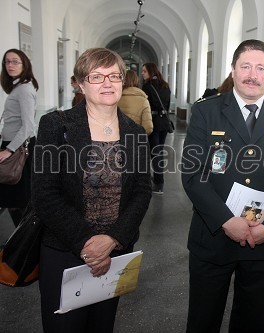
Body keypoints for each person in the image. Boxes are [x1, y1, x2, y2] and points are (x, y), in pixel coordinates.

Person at [181, 39, 264, 333]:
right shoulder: (206, 111)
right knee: (203, 319)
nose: (253, 74)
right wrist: (227, 221)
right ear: (234, 70)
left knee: (252, 321)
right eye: (246, 66)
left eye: (260, 68)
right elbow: (192, 173)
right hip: (213, 236)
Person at [32, 48, 152, 332]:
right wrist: (89, 244)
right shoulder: (56, 126)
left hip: (115, 253)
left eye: (114, 76)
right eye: (97, 76)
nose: (107, 83)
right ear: (81, 83)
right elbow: (45, 194)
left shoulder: (134, 133)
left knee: (102, 325)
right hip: (66, 252)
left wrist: (112, 239)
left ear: (123, 81)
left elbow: (142, 191)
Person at [0, 48, 38, 227]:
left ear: (24, 64)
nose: (10, 65)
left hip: (18, 148)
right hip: (15, 145)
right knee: (14, 199)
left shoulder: (23, 89)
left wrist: (9, 150)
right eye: (7, 61)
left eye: (15, 61)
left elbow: (28, 126)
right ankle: (21, 241)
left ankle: (23, 242)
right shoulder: (18, 87)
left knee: (17, 200)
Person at [141, 62, 172, 194]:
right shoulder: (165, 85)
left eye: (144, 71)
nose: (142, 73)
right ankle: (158, 181)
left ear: (150, 72)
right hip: (164, 122)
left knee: (155, 153)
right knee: (158, 151)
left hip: (153, 122)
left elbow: (145, 106)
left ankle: (159, 183)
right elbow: (168, 105)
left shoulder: (147, 86)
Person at [118, 70, 153, 135]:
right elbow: (148, 128)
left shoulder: (116, 98)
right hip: (135, 139)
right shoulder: (143, 100)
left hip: (117, 139)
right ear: (137, 80)